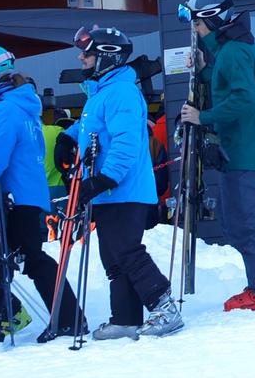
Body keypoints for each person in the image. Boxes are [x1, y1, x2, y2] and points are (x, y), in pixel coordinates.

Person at [64, 26, 183, 340]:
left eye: (87, 53)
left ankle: (164, 307)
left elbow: (126, 142)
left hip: (124, 189)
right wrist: (68, 136)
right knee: (113, 258)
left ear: (105, 56)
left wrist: (105, 178)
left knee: (127, 251)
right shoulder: (102, 92)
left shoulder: (122, 92)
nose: (81, 58)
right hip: (108, 192)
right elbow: (92, 126)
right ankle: (126, 318)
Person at [0, 47, 83, 338]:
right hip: (28, 195)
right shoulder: (25, 106)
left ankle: (59, 319)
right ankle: (22, 315)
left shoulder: (4, 109)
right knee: (17, 257)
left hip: (12, 198)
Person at [178, 0, 255, 312]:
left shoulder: (234, 51)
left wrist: (202, 116)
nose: (195, 30)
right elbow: (226, 82)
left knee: (243, 222)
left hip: (242, 148)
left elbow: (243, 99)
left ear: (212, 21)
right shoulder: (232, 49)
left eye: (197, 24)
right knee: (230, 218)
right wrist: (203, 68)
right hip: (239, 147)